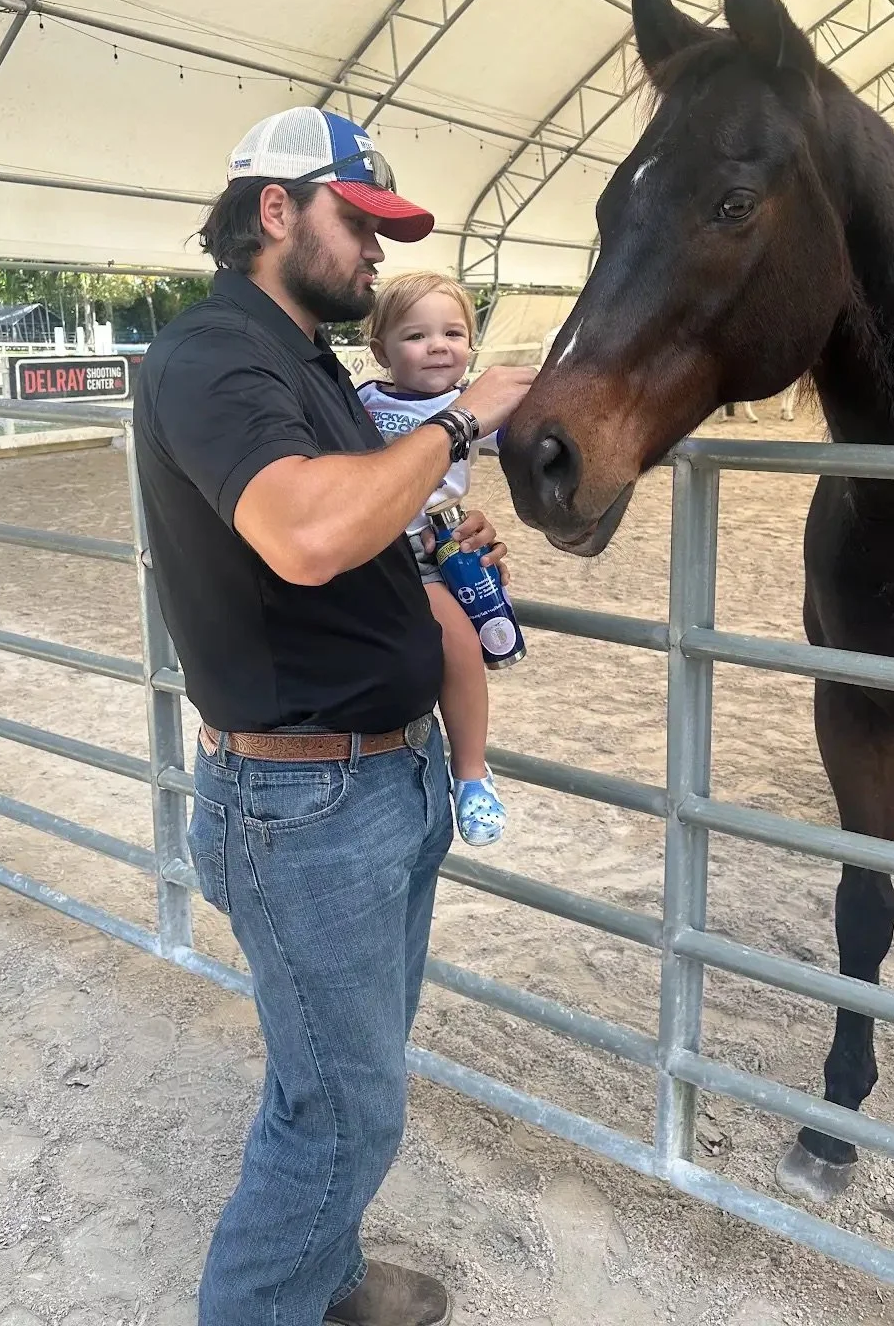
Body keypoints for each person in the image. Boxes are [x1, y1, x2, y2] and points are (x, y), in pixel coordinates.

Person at [132, 105, 534, 1326]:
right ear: (274, 210)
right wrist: (466, 422)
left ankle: (326, 1287)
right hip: (305, 801)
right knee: (345, 1108)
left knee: (342, 1081)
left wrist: (431, 521)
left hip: (380, 777)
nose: (375, 250)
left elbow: (355, 519)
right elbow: (303, 530)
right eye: (357, 222)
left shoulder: (303, 360)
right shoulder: (212, 354)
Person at [358, 274, 506, 846]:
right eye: (416, 335)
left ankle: (471, 774)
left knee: (460, 647)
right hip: (367, 549)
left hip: (427, 556)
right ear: (382, 351)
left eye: (453, 332)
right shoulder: (362, 402)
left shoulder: (473, 407)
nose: (439, 345)